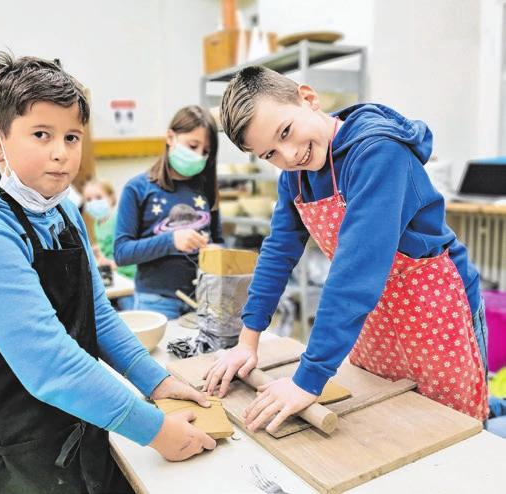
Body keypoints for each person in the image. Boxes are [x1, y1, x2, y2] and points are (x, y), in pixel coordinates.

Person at [0, 52, 215, 493]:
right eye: (42, 134)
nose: (61, 154)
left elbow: (99, 316)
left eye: (72, 137)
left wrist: (158, 382)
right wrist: (156, 431)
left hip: (70, 423)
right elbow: (50, 364)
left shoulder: (62, 211)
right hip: (5, 454)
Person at [204, 66, 488, 434]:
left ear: (308, 98)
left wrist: (308, 379)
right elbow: (278, 251)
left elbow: (355, 271)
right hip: (373, 315)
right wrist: (247, 341)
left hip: (433, 308)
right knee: (390, 424)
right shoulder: (297, 174)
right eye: (270, 153)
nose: (289, 155)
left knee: (454, 429)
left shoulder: (377, 152)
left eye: (286, 132)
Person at [114, 105, 223, 320]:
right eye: (192, 146)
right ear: (170, 137)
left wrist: (215, 250)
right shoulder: (137, 188)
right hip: (155, 302)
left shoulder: (207, 189)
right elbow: (122, 253)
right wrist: (171, 241)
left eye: (205, 151)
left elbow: (219, 240)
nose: (198, 156)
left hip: (203, 300)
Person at [83, 178, 135, 310]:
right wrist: (98, 253)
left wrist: (114, 263)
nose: (93, 202)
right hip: (113, 278)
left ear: (111, 198)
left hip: (129, 277)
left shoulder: (118, 219)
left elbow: (131, 248)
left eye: (98, 197)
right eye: (88, 200)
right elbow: (105, 247)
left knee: (128, 309)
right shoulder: (97, 223)